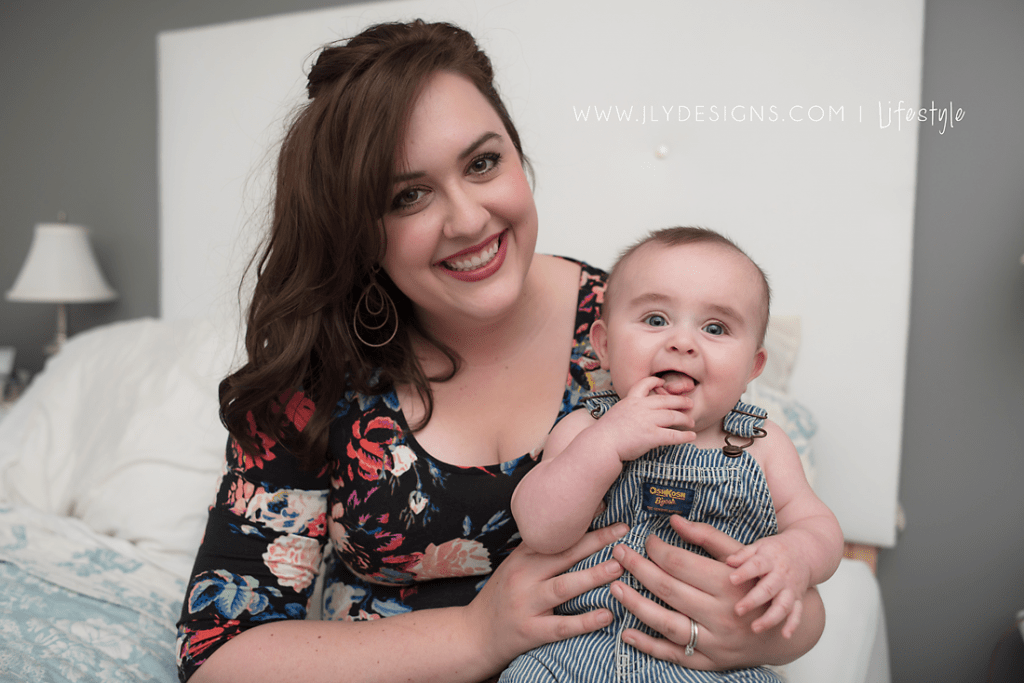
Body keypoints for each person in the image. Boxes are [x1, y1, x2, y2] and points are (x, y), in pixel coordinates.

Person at [175, 20, 827, 683]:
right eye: (408, 196)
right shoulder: (318, 373)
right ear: (359, 229)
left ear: (519, 157)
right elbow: (216, 656)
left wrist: (766, 636)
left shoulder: (642, 327)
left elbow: (790, 568)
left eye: (482, 162)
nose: (467, 220)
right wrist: (473, 632)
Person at [502, 227, 844, 682]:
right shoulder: (585, 428)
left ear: (752, 368)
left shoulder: (761, 445)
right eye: (656, 320)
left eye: (715, 328)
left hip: (713, 664)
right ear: (603, 345)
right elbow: (540, 528)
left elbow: (818, 526)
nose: (683, 343)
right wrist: (608, 444)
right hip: (577, 655)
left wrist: (796, 555)